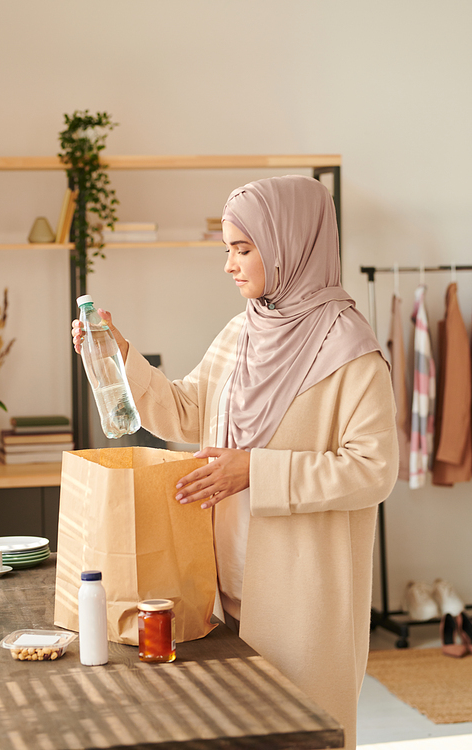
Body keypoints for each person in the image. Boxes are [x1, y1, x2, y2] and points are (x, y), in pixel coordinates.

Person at [72, 175, 398, 750]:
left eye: (243, 249)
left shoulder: (352, 351)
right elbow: (185, 410)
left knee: (299, 735)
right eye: (227, 249)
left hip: (301, 602)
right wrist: (119, 354)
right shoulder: (244, 332)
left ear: (290, 244)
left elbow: (373, 468)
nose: (229, 264)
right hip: (222, 592)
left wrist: (257, 470)